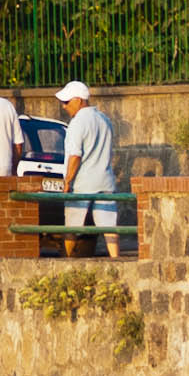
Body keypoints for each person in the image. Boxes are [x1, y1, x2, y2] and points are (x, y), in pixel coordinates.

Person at [56, 80, 122, 259]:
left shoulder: (77, 123)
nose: (64, 106)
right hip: (105, 180)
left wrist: (67, 181)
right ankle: (116, 260)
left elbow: (75, 155)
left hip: (82, 183)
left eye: (66, 102)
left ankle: (66, 260)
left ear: (78, 100)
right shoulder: (104, 120)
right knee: (109, 226)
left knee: (72, 226)